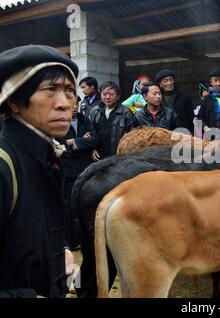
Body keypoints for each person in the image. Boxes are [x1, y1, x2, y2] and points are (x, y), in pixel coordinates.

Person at [0, 44, 79, 298]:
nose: (64, 103)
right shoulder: (4, 167)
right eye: (50, 90)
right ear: (13, 100)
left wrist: (58, 255)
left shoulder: (47, 157)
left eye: (69, 91)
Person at [56, 97, 95, 250]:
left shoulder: (85, 119)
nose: (74, 107)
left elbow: (94, 139)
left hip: (85, 168)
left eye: (76, 104)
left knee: (83, 205)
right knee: (68, 206)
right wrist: (79, 142)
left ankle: (82, 239)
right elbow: (60, 145)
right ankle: (69, 241)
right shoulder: (59, 121)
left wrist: (74, 142)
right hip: (68, 170)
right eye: (71, 104)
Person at [89, 82, 137, 161]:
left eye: (111, 94)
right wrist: (92, 149)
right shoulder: (94, 111)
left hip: (119, 155)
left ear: (118, 96)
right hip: (98, 155)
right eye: (104, 94)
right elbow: (90, 132)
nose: (107, 97)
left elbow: (132, 134)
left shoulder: (126, 112)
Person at [197, 67, 220, 138]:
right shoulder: (207, 99)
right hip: (210, 136)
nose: (218, 83)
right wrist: (205, 128)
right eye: (215, 80)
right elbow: (199, 118)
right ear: (211, 82)